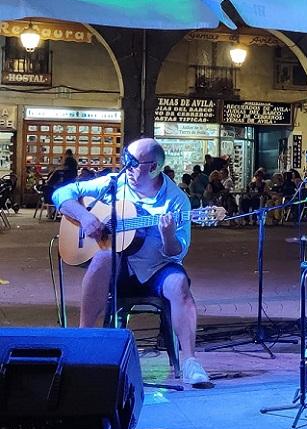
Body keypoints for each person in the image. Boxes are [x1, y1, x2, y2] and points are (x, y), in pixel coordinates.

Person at [51, 138, 209, 385]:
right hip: (120, 269)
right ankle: (84, 339)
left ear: (155, 167)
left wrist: (168, 235)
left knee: (179, 284)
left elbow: (177, 253)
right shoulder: (116, 183)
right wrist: (86, 218)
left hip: (157, 268)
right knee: (103, 256)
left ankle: (190, 361)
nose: (127, 168)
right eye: (127, 161)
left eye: (135, 164)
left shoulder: (177, 201)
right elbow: (62, 193)